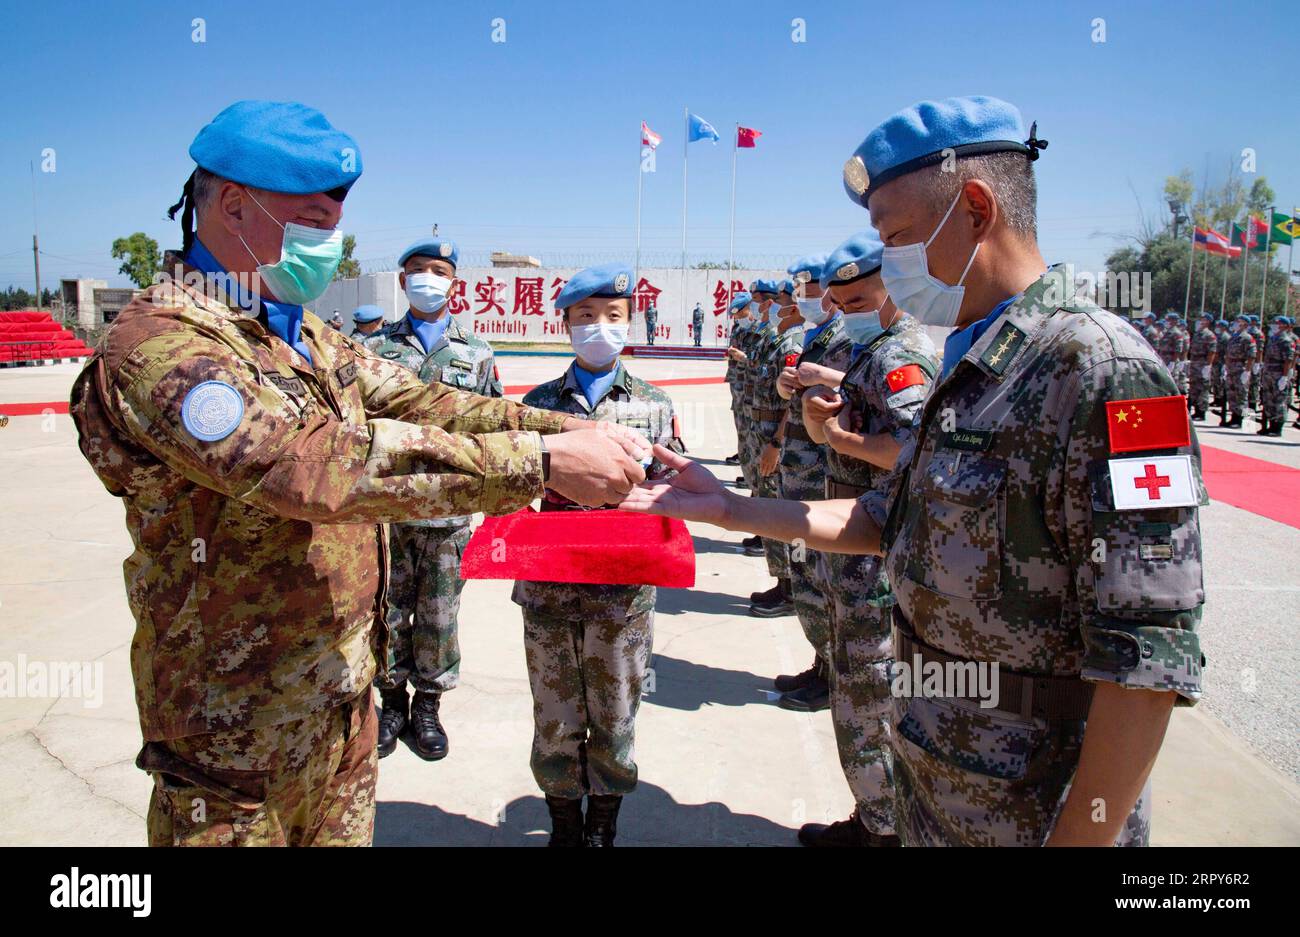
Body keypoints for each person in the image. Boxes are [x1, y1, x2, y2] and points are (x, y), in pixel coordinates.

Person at [623, 95, 1205, 847]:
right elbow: (881, 517)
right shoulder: (973, 357)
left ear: (973, 207)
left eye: (897, 237)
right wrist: (729, 507)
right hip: (934, 789)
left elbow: (1147, 657)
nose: (892, 265)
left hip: (1032, 818)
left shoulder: (1105, 371)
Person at [68, 100, 651, 847]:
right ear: (234, 207)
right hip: (235, 742)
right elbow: (309, 467)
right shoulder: (165, 343)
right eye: (311, 221)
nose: (329, 243)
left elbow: (424, 400)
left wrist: (566, 428)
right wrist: (540, 465)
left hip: (341, 706)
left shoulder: (303, 332)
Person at [511, 263, 683, 846]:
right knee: (555, 713)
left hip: (622, 594)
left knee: (615, 713)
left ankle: (603, 823)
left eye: (612, 317)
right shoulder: (533, 404)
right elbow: (513, 488)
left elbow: (672, 487)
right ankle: (563, 819)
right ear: (565, 324)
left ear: (630, 324)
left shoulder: (655, 406)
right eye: (585, 317)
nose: (599, 328)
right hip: (549, 589)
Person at [795, 228, 938, 845]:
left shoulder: (898, 355)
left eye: (859, 303)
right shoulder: (872, 350)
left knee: (867, 704)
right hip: (852, 559)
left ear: (892, 291)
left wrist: (840, 440)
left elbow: (911, 450)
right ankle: (873, 817)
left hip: (874, 566)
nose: (849, 315)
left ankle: (880, 828)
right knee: (858, 694)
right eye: (841, 305)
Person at [363, 238, 503, 761]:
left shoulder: (477, 353)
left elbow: (492, 426)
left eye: (438, 271)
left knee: (440, 614)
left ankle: (428, 707)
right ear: (402, 282)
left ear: (454, 284)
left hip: (448, 510)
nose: (428, 278)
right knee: (389, 609)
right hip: (389, 509)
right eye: (417, 270)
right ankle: (391, 701)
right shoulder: (375, 350)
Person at [770, 254, 847, 711]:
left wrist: (827, 380)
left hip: (824, 475)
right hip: (798, 469)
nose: (805, 296)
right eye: (800, 287)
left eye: (812, 287)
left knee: (825, 578)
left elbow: (864, 390)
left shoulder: (847, 337)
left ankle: (835, 674)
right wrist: (786, 388)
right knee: (808, 576)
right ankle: (822, 663)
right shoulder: (811, 335)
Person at [750, 280, 803, 618]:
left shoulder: (795, 343)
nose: (766, 308)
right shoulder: (777, 339)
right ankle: (784, 584)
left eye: (772, 302)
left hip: (776, 438)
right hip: (762, 429)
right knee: (770, 510)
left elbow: (792, 403)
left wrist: (775, 443)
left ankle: (790, 590)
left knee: (781, 515)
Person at [723, 291, 752, 465]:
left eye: (739, 312)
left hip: (748, 381)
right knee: (740, 421)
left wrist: (742, 356)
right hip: (737, 380)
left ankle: (748, 457)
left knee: (748, 422)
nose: (737, 317)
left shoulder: (756, 329)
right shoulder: (739, 326)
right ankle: (744, 454)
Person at [1258, 316, 1296, 437]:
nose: (1274, 325)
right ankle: (1270, 425)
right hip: (1269, 373)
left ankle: (1277, 427)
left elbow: (1288, 360)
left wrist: (1285, 376)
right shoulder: (1273, 338)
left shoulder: (1286, 340)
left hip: (1279, 373)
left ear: (1284, 325)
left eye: (1277, 323)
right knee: (1268, 400)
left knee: (1279, 401)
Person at [1220, 315, 1256, 428]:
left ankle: (1246, 422)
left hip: (1241, 368)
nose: (1235, 323)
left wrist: (1247, 371)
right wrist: (1226, 367)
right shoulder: (1233, 337)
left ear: (1245, 324)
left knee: (1242, 395)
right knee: (1232, 394)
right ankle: (1235, 417)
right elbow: (1228, 354)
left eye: (1238, 321)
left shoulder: (1247, 338)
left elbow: (1251, 356)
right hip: (1231, 368)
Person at [1187, 312, 1218, 420]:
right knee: (1194, 388)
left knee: (1202, 388)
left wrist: (1208, 366)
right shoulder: (1197, 334)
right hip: (1195, 363)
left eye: (1203, 319)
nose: (1200, 321)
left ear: (1208, 322)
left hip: (1203, 364)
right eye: (1200, 319)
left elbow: (1211, 352)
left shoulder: (1210, 335)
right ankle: (1196, 410)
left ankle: (1201, 411)